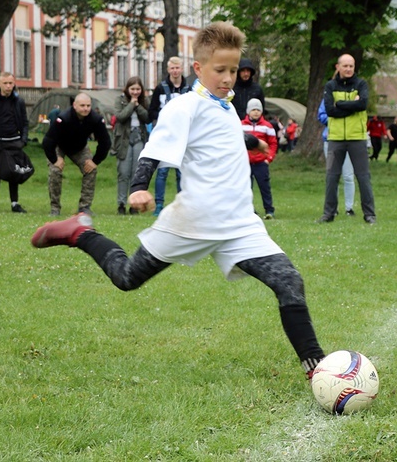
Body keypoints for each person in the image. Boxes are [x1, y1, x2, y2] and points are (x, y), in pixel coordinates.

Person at [31, 21, 326, 381]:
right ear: (198, 68)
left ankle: (319, 369)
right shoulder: (184, 106)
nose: (229, 77)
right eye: (220, 70)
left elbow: (219, 141)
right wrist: (140, 185)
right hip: (195, 219)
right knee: (126, 277)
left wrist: (251, 143)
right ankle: (81, 231)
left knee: (289, 281)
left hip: (239, 224)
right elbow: (155, 150)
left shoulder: (226, 105)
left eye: (233, 70)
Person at [318, 54, 376, 224]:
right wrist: (352, 105)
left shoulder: (361, 84)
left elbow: (363, 104)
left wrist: (340, 104)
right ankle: (328, 214)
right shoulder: (330, 86)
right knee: (331, 177)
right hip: (335, 138)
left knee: (363, 177)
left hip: (357, 137)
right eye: (345, 66)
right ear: (338, 67)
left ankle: (370, 214)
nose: (349, 69)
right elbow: (329, 110)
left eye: (351, 66)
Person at [42, 93, 111, 216]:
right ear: (75, 105)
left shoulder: (96, 119)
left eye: (88, 106)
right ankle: (55, 208)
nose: (86, 108)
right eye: (82, 105)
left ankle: (84, 207)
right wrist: (55, 159)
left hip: (79, 148)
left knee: (91, 170)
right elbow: (48, 141)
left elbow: (105, 142)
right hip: (59, 146)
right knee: (55, 171)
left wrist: (95, 161)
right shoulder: (63, 118)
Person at [148, 56, 191, 216]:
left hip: (183, 134)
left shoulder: (189, 89)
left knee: (181, 171)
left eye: (177, 68)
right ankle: (159, 205)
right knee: (163, 171)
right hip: (165, 135)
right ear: (168, 70)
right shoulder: (160, 88)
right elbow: (151, 110)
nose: (175, 71)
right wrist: (164, 115)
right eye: (172, 68)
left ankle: (182, 204)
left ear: (181, 69)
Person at [0, 72, 29, 213]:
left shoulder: (19, 102)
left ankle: (14, 203)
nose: (8, 86)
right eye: (5, 83)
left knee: (14, 172)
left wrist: (23, 140)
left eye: (10, 83)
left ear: (14, 84)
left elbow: (25, 122)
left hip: (14, 141)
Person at [113, 76, 149, 215]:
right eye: (132, 89)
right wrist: (131, 105)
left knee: (136, 173)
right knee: (123, 172)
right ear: (127, 89)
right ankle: (121, 204)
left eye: (138, 89)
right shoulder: (120, 100)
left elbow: (147, 117)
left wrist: (138, 106)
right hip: (123, 139)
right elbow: (120, 117)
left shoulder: (144, 101)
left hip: (139, 137)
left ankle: (134, 204)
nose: (135, 92)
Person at [317, 99, 356, 217]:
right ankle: (333, 207)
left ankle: (349, 208)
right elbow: (321, 115)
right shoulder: (328, 98)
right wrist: (336, 117)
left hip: (349, 139)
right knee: (333, 175)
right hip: (330, 140)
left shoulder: (352, 96)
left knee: (348, 175)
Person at [242, 98, 278, 219]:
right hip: (245, 162)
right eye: (253, 110)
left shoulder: (267, 126)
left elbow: (273, 144)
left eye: (258, 109)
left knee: (264, 187)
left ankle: (269, 210)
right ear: (248, 111)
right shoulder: (241, 125)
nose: (256, 112)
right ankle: (248, 209)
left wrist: (269, 158)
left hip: (261, 162)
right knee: (246, 187)